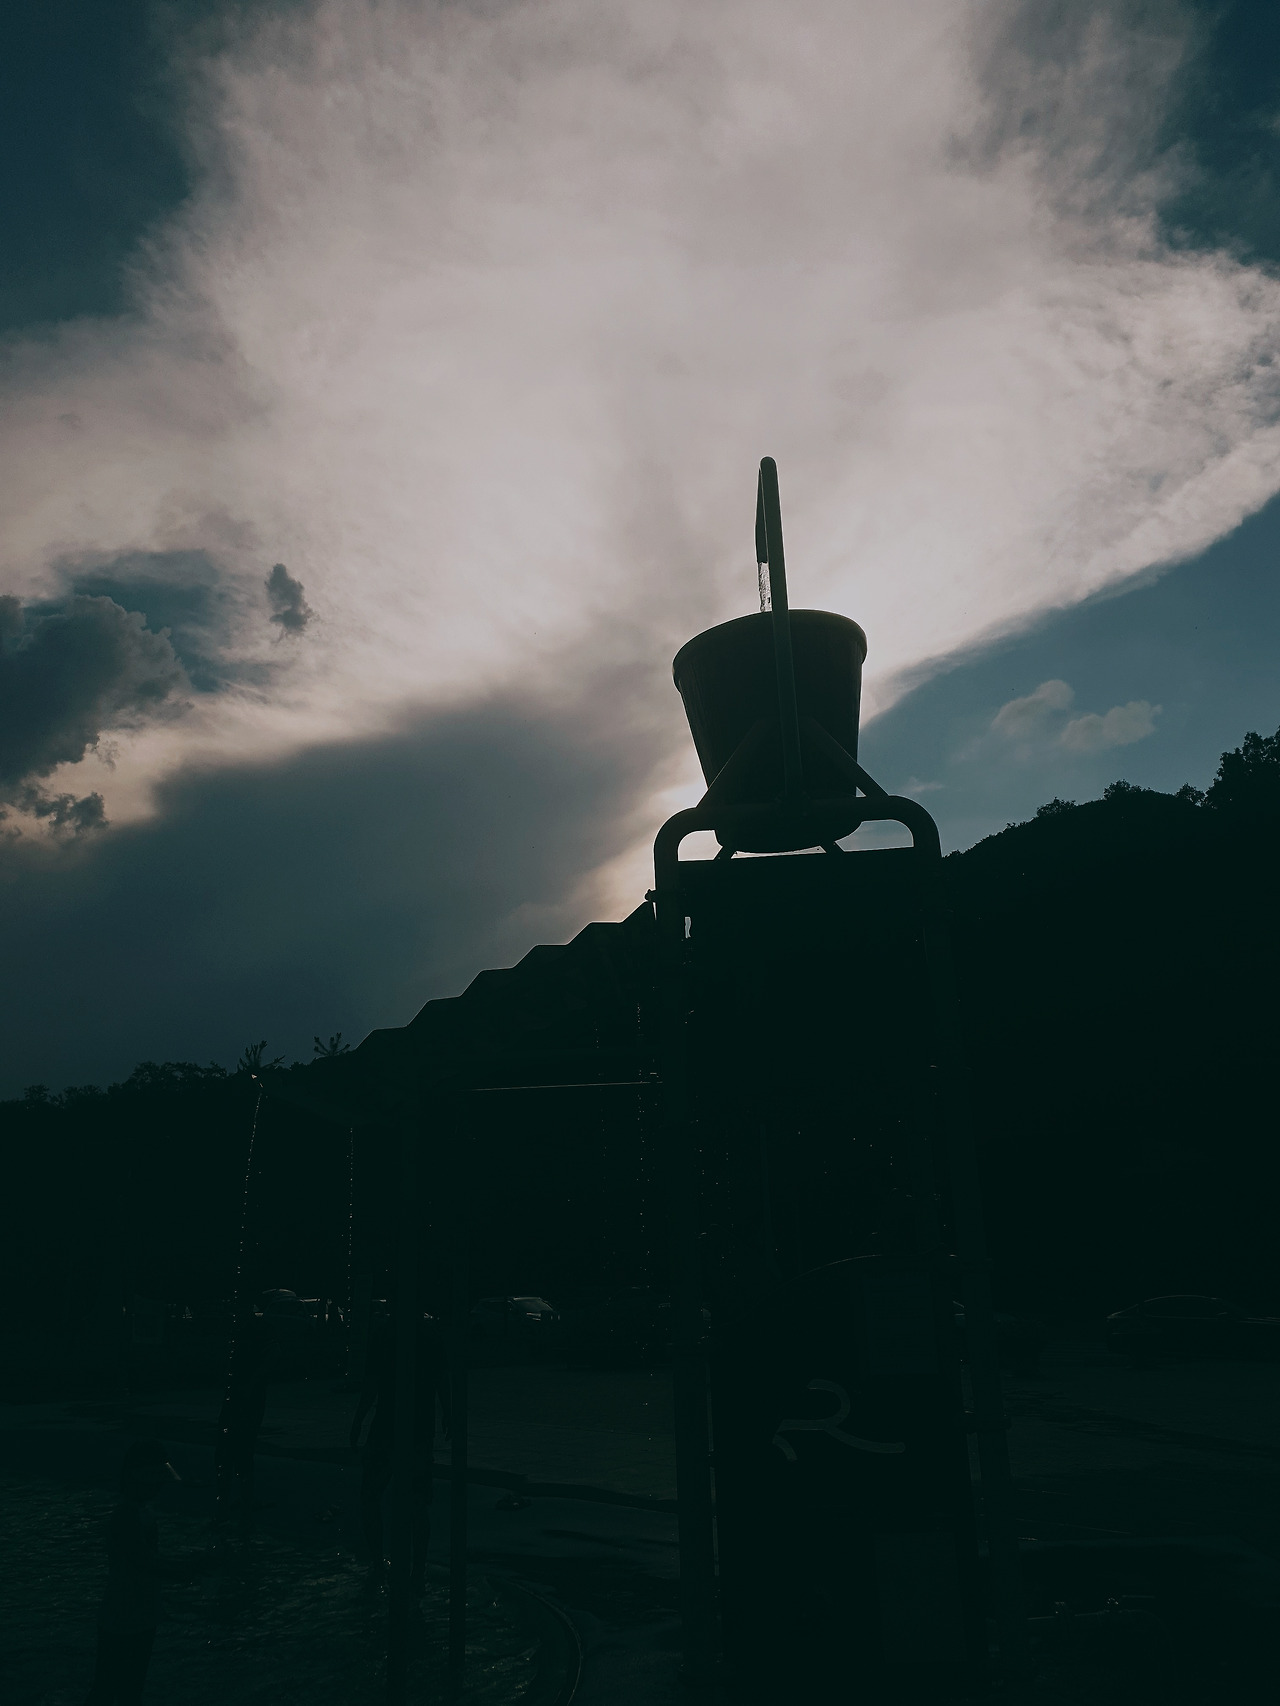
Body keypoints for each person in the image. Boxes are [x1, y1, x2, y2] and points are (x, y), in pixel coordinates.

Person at [348, 1299, 451, 1590]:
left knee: (372, 1496)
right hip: (418, 1428)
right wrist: (448, 1410)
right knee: (417, 1504)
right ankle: (417, 1570)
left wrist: (359, 1419)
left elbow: (372, 1382)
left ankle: (379, 1564)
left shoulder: (386, 1334)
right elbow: (441, 1377)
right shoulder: (428, 1335)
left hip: (387, 1427)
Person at [84, 1439, 188, 1704]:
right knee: (117, 1691)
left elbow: (145, 1563)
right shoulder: (128, 1516)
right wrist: (190, 1569)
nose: (159, 1486)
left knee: (114, 1689)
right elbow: (145, 1562)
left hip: (132, 1614)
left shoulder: (136, 1513)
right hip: (126, 1617)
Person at [214, 1303, 276, 1523]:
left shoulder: (251, 1330)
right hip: (244, 1396)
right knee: (237, 1452)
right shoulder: (250, 1329)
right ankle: (240, 1503)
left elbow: (269, 1358)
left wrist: (250, 1383)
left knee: (234, 1451)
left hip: (245, 1397)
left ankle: (232, 1504)